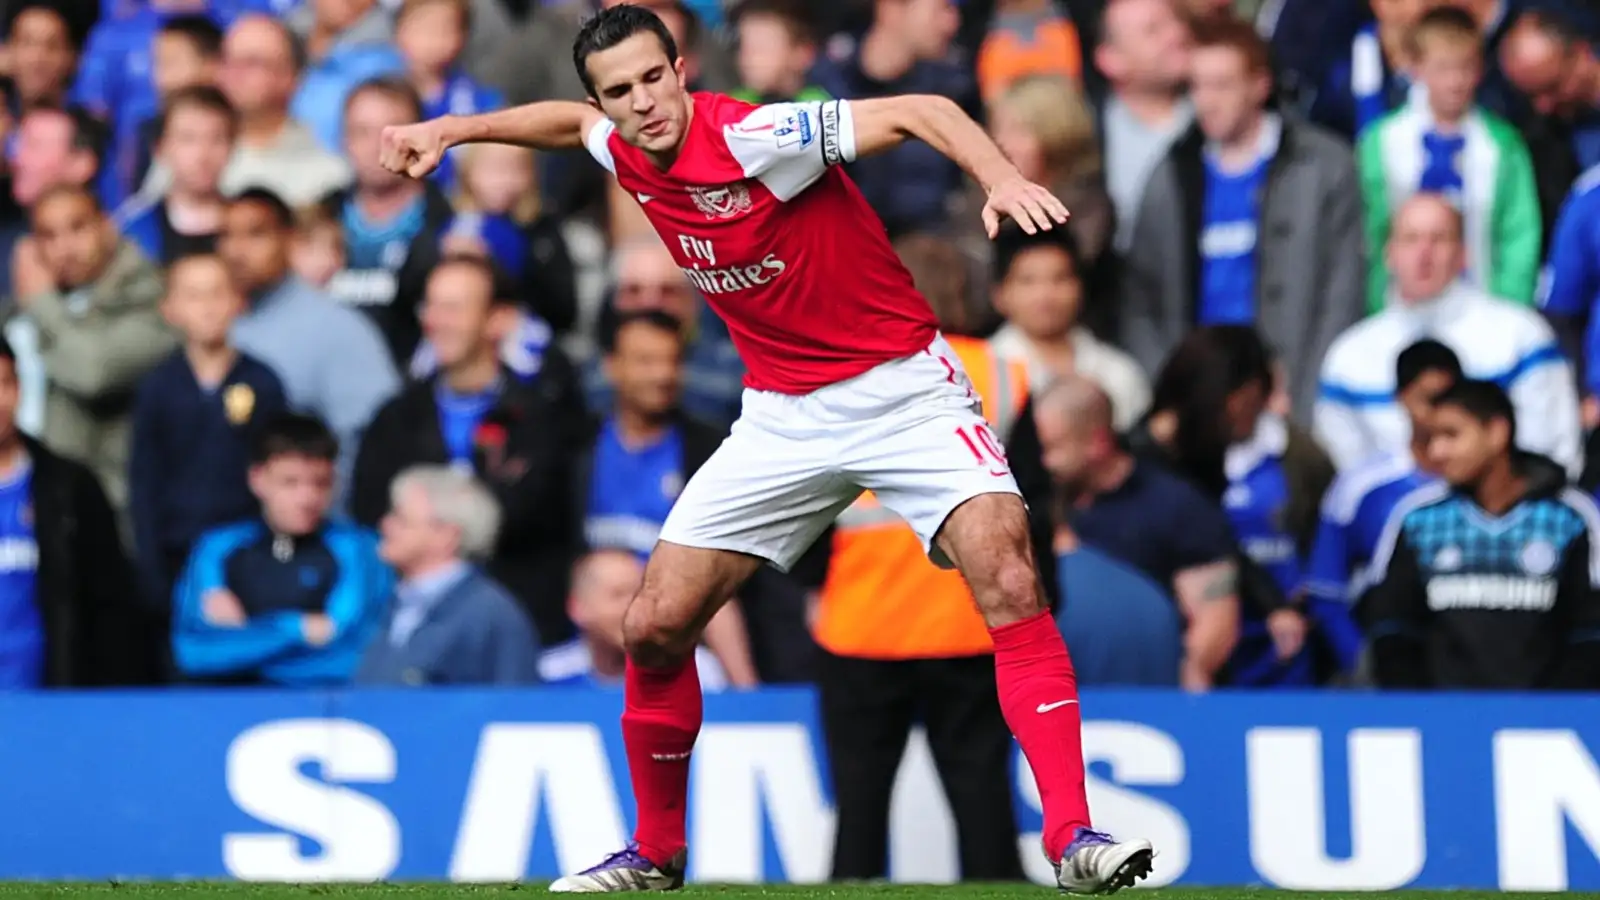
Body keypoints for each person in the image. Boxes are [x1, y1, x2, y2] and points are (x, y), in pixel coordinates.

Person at [379, 4, 1150, 894]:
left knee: (1010, 578)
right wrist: (452, 129)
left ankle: (1072, 838)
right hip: (784, 415)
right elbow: (566, 123)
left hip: (901, 390)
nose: (640, 104)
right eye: (619, 92)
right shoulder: (624, 145)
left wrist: (998, 177)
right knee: (654, 622)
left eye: (652, 78)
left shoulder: (755, 134)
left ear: (681, 67)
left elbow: (917, 113)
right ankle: (657, 854)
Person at [1314, 193, 1581, 474]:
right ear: (1389, 253)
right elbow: (1343, 474)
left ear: (1463, 254)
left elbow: (1554, 451)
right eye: (1411, 239)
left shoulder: (1521, 336)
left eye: (1439, 238)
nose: (1424, 254)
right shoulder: (1348, 357)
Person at [1364, 379, 1600, 689]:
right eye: (1431, 438)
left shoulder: (1567, 517)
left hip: (1548, 725)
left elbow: (1589, 631)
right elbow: (1392, 627)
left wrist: (1549, 712)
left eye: (1451, 435)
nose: (1436, 451)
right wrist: (1420, 706)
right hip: (1441, 720)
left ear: (1497, 432)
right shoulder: (1420, 519)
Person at [172, 413, 391, 686]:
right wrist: (298, 629)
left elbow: (353, 656)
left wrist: (247, 639)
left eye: (320, 483)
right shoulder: (217, 548)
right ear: (257, 479)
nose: (307, 498)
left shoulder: (360, 549)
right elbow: (194, 654)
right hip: (226, 708)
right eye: (290, 482)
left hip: (326, 711)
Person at [129, 252, 289, 616]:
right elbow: (144, 482)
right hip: (174, 553)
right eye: (194, 296)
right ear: (169, 308)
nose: (208, 308)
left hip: (247, 551)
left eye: (218, 293)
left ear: (238, 300)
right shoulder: (157, 386)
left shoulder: (262, 382)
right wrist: (150, 566)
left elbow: (278, 471)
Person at [1358, 6, 1542, 310]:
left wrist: (1509, 312)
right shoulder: (1381, 142)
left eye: (1465, 67)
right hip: (1395, 310)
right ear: (1415, 67)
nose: (1456, 82)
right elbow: (1371, 232)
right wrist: (1374, 305)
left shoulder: (1503, 146)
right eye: (1443, 68)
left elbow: (1519, 238)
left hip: (1483, 311)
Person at [1300, 339, 1457, 678]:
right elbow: (1326, 588)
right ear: (1402, 399)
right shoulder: (1362, 487)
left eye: (1450, 399)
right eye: (1429, 400)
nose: (1439, 413)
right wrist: (1362, 664)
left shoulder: (1482, 487)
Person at [355, 465, 541, 686]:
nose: (385, 525)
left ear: (446, 536)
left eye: (400, 519)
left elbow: (516, 707)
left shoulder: (491, 615)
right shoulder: (388, 604)